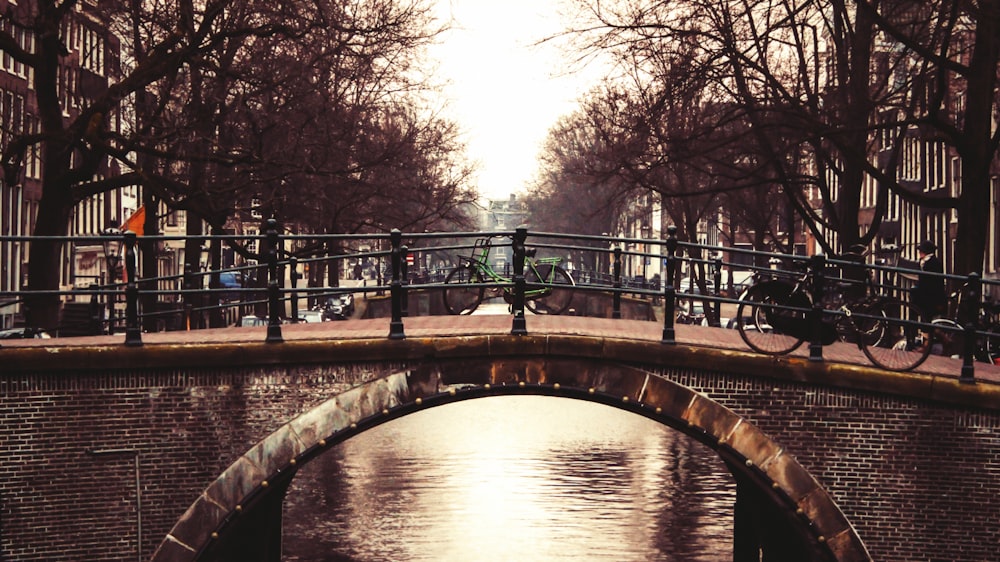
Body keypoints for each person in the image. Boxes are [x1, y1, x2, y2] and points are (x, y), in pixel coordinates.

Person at [901, 240, 947, 323]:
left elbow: (934, 282)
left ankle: (923, 333)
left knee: (925, 316)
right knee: (915, 311)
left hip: (930, 296)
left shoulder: (933, 263)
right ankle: (912, 331)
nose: (919, 252)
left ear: (926, 252)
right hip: (923, 294)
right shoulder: (923, 262)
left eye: (921, 251)